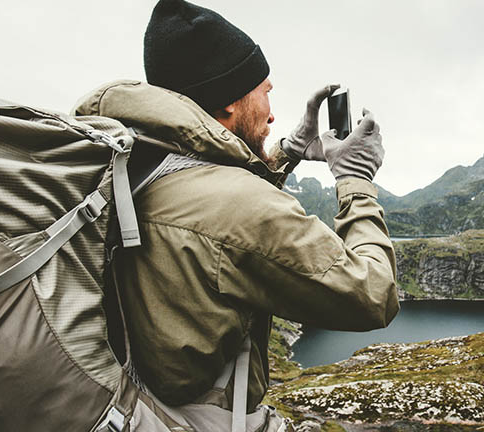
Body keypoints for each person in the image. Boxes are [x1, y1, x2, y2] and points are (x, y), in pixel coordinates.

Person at [73, 0, 399, 422]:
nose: (273, 113)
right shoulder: (239, 205)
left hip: (131, 400)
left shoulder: (136, 162)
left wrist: (285, 151)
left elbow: (209, 195)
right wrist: (355, 179)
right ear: (229, 102)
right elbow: (374, 295)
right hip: (199, 419)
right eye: (265, 93)